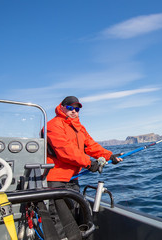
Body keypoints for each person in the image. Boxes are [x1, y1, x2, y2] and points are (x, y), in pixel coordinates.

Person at [45, 96, 122, 239]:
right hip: (55, 180)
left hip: (73, 180)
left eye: (77, 108)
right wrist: (88, 163)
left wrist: (109, 156)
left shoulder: (79, 128)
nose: (74, 111)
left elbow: (91, 146)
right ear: (62, 107)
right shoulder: (53, 125)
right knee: (59, 219)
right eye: (70, 108)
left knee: (73, 216)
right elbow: (65, 150)